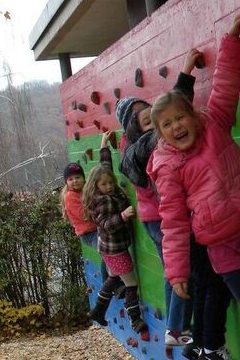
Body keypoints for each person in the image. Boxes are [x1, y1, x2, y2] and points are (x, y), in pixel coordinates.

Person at [148, 13, 240, 360]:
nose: (176, 127)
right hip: (223, 246)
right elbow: (173, 222)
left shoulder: (214, 125)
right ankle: (194, 347)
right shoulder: (168, 167)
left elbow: (225, 86)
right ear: (160, 135)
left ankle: (210, 347)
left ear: (192, 116)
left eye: (179, 118)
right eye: (166, 125)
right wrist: (176, 271)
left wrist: (232, 37)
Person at [115, 49, 204, 348]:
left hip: (156, 217)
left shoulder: (135, 146)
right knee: (182, 275)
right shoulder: (138, 149)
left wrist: (188, 71)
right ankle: (179, 334)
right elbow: (174, 108)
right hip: (159, 218)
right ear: (135, 125)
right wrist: (185, 76)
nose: (157, 122)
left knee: (173, 275)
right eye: (148, 119)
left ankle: (173, 334)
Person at [83, 132, 149, 339]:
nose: (109, 186)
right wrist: (122, 216)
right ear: (96, 186)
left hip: (109, 249)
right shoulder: (103, 201)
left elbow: (105, 168)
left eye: (110, 183)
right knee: (130, 284)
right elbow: (105, 224)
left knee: (112, 278)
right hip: (115, 249)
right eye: (104, 185)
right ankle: (136, 320)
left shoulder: (106, 191)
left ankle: (98, 311)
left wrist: (103, 145)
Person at [60, 162, 110, 283]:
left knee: (108, 251)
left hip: (96, 229)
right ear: (66, 182)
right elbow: (84, 215)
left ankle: (112, 280)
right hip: (88, 233)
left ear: (84, 178)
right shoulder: (70, 196)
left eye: (78, 177)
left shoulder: (86, 190)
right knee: (107, 251)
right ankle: (108, 283)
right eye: (71, 179)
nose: (75, 181)